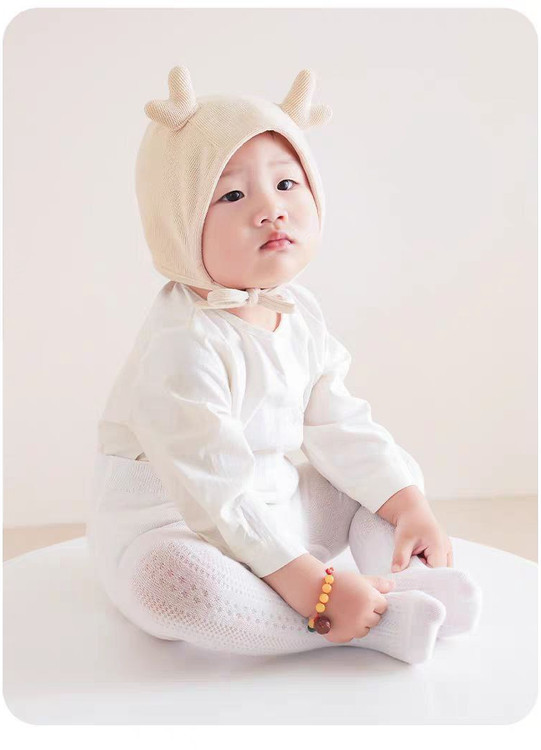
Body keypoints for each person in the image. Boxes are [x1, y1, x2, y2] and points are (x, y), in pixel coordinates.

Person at [86, 66, 482, 664]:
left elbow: (339, 424)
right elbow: (213, 494)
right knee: (172, 586)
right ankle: (368, 623)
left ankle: (411, 583)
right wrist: (313, 587)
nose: (271, 210)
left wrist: (407, 504)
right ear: (177, 223)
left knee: (375, 482)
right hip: (180, 524)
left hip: (276, 505)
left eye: (287, 183)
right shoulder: (180, 345)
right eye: (233, 195)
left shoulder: (297, 310)